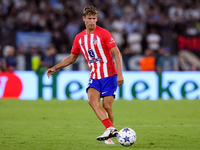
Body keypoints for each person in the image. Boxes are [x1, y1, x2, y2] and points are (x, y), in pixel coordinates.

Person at [46, 6, 124, 144]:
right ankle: (110, 129)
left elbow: (116, 53)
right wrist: (55, 67)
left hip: (109, 74)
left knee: (107, 106)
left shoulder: (104, 33)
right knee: (92, 101)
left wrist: (120, 74)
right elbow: (72, 57)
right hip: (94, 75)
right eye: (89, 19)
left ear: (97, 19)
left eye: (94, 18)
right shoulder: (79, 38)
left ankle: (110, 133)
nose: (92, 21)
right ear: (84, 19)